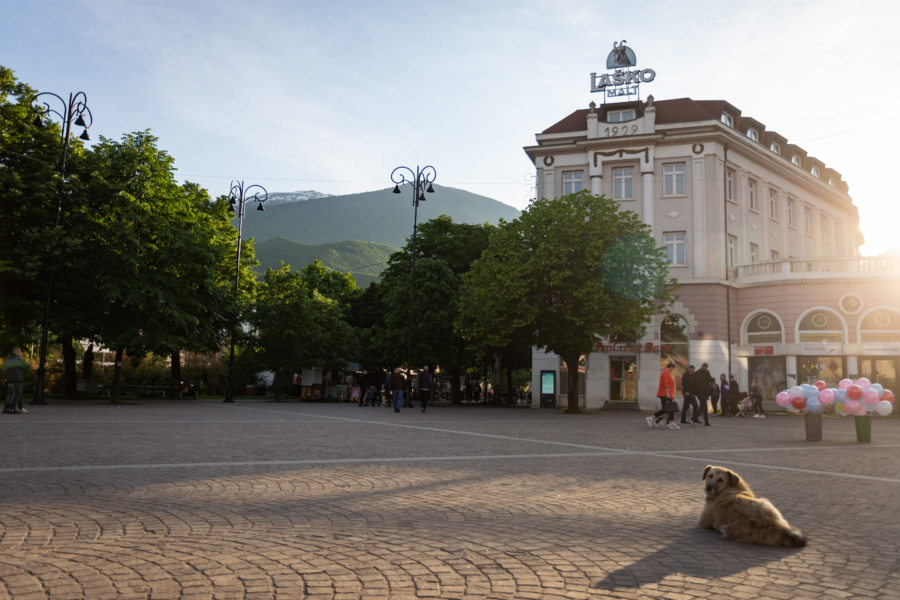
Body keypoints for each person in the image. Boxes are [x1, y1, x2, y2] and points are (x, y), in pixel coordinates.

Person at [648, 362, 679, 429]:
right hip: (665, 394)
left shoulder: (665, 373)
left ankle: (670, 423)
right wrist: (668, 394)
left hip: (665, 394)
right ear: (671, 367)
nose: (672, 370)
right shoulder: (665, 373)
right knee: (668, 409)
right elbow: (665, 385)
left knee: (668, 409)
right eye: (672, 369)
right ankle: (670, 423)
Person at [2, 347, 29, 414]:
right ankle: (12, 408)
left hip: (9, 380)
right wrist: (22, 359)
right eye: (20, 351)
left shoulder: (8, 360)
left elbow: (4, 371)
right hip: (17, 380)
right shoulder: (19, 359)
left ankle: (7, 408)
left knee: (10, 394)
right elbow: (26, 367)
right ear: (17, 352)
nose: (21, 353)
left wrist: (8, 376)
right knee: (17, 393)